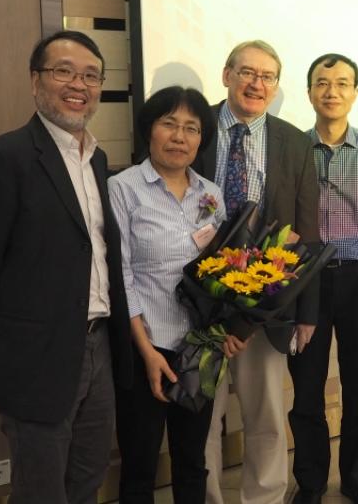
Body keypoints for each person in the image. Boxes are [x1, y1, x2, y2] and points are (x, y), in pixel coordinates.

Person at [0, 30, 132, 504]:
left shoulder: (96, 158)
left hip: (98, 348)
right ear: (35, 81)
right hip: (36, 358)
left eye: (91, 75)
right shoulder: (4, 158)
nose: (79, 84)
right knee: (40, 491)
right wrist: (6, 340)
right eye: (63, 71)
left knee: (88, 479)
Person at [193, 40, 320, 504]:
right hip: (197, 303)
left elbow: (308, 231)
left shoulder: (294, 142)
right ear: (226, 74)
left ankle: (263, 499)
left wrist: (307, 311)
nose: (256, 84)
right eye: (247, 72)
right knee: (202, 418)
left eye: (267, 77)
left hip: (267, 308)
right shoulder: (196, 127)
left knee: (265, 417)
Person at [288, 54, 358, 504]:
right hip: (305, 280)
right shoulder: (292, 150)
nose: (331, 91)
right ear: (309, 91)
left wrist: (350, 251)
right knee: (307, 386)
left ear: (355, 92)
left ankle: (355, 477)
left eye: (342, 83)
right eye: (322, 83)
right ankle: (310, 482)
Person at [110, 86, 225, 503]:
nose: (180, 137)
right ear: (149, 130)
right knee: (140, 465)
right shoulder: (123, 189)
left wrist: (227, 328)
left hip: (200, 347)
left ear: (201, 139)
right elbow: (119, 277)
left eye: (191, 128)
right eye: (169, 124)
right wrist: (147, 352)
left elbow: (225, 272)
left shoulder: (210, 194)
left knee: (192, 459)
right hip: (147, 344)